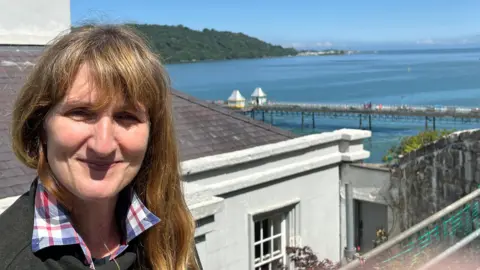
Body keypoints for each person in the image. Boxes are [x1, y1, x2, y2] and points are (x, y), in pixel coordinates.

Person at [0, 25, 199, 270]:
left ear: (151, 134)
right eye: (81, 113)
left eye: (127, 116)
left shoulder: (170, 233)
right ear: (41, 125)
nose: (103, 145)